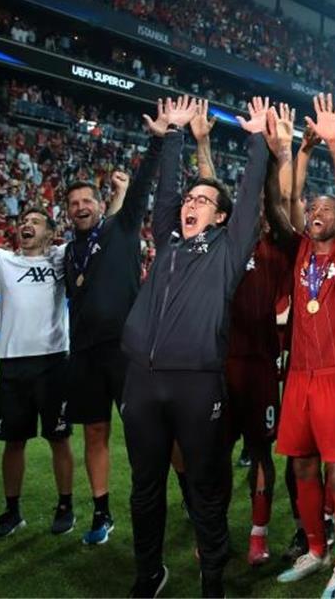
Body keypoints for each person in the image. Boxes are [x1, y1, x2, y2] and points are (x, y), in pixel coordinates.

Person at [120, 95, 269, 599]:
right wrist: (173, 136)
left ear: (223, 217)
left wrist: (258, 140)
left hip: (198, 386)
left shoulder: (229, 250)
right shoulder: (169, 243)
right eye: (191, 198)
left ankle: (212, 582)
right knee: (145, 489)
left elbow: (250, 197)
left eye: (202, 200)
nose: (189, 203)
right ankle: (148, 574)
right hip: (141, 381)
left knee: (205, 490)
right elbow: (164, 195)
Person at [194, 98, 296, 569]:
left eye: (261, 202)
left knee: (260, 454)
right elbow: (209, 190)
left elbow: (281, 200)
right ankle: (212, 530)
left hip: (259, 367)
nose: (254, 208)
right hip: (217, 367)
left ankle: (258, 533)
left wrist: (282, 156)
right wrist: (202, 142)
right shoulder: (220, 244)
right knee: (213, 458)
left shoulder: (279, 246)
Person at [0, 163, 75, 539]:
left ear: (51, 234)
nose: (28, 224)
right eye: (25, 219)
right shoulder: (3, 260)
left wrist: (118, 195)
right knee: (13, 442)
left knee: (59, 438)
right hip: (13, 365)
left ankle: (65, 505)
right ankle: (12, 511)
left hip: (54, 362)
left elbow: (106, 234)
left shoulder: (60, 257)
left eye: (37, 221)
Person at [274, 93, 335, 599]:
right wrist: (298, 155)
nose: (316, 211)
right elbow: (287, 201)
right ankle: (316, 546)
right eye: (313, 207)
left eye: (325, 208)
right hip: (300, 379)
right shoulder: (299, 248)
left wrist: (334, 149)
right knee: (302, 464)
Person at [63, 152, 159, 547]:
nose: (81, 207)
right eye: (73, 204)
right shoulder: (69, 252)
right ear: (68, 213)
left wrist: (156, 142)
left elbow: (139, 189)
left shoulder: (121, 229)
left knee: (150, 432)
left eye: (87, 201)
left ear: (101, 206)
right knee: (94, 432)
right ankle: (102, 513)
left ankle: (189, 494)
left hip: (126, 349)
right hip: (85, 355)